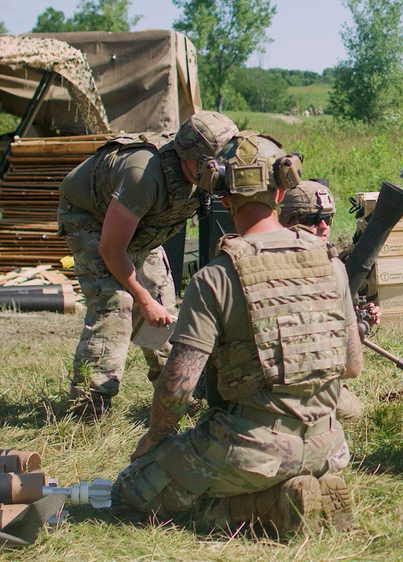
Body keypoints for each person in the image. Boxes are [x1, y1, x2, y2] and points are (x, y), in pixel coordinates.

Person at [110, 131, 363, 538]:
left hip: (254, 450)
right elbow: (352, 365)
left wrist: (154, 441)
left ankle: (268, 507)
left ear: (223, 197)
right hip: (329, 446)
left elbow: (177, 390)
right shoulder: (331, 264)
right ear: (281, 193)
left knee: (132, 490)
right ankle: (301, 486)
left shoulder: (216, 277)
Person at [57, 111, 239, 419]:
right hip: (90, 219)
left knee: (161, 309)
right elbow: (111, 249)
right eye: (214, 164)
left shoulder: (201, 172)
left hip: (142, 227)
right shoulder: (143, 175)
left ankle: (173, 393)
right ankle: (88, 405)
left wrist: (151, 302)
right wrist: (141, 299)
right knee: (116, 302)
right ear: (193, 159)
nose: (221, 171)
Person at [278, 180, 378, 420]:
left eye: (328, 219)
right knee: (349, 412)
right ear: (288, 222)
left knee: (353, 411)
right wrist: (357, 328)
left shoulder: (332, 265)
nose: (323, 227)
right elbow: (350, 366)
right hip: (284, 384)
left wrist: (361, 321)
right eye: (312, 220)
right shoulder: (329, 268)